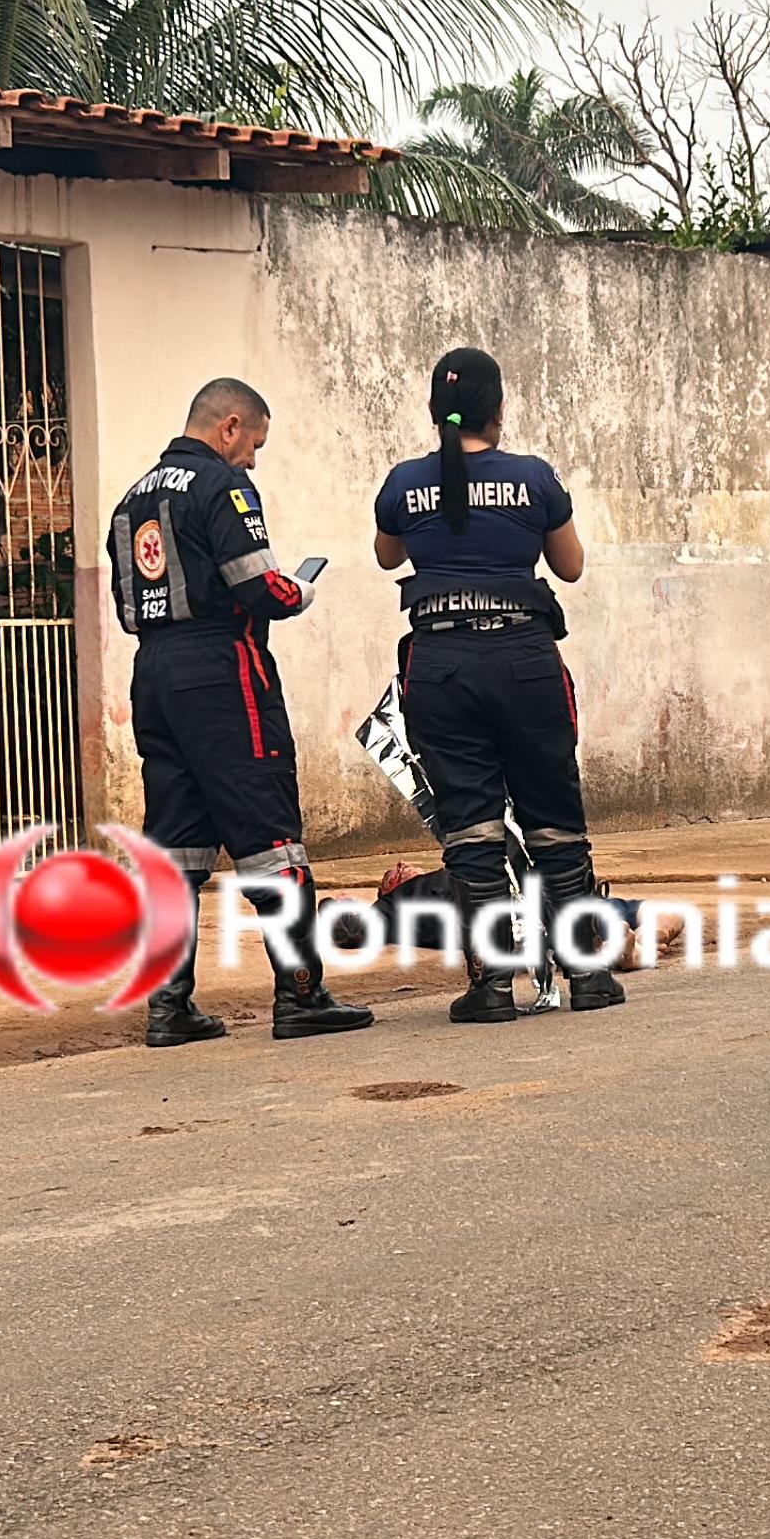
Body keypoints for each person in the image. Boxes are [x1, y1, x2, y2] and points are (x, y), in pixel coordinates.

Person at [106, 378, 375, 1047]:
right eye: (253, 443)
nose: (252, 459)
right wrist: (301, 589)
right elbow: (261, 588)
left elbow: (126, 603)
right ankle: (301, 995)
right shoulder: (220, 486)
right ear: (229, 426)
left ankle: (169, 1008)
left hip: (155, 673)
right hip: (224, 670)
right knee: (269, 834)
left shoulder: (130, 499)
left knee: (175, 842)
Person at [371, 347, 618, 1023]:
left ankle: (491, 988)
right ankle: (587, 976)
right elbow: (569, 566)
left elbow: (387, 555)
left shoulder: (403, 484)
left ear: (434, 411)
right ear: (499, 408)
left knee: (471, 828)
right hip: (524, 662)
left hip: (441, 668)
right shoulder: (533, 478)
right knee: (554, 818)